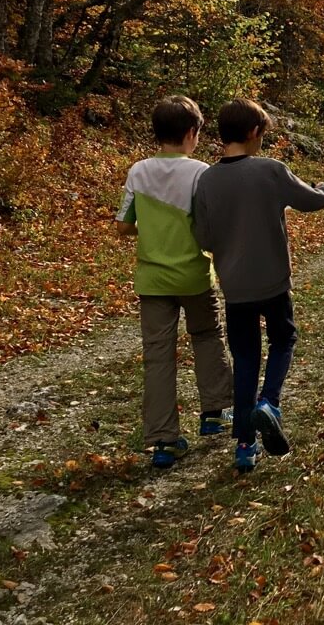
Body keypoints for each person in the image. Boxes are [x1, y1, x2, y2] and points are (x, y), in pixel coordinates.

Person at [193, 99, 324, 474]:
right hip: (272, 283)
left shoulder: (206, 180)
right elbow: (310, 200)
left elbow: (203, 237)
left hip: (235, 288)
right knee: (284, 339)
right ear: (255, 133)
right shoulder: (271, 171)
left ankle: (244, 444)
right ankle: (269, 403)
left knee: (244, 358)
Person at [115, 95, 233, 469]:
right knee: (208, 335)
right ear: (190, 133)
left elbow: (122, 226)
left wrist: (150, 229)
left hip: (151, 278)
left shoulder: (138, 171)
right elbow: (212, 225)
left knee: (157, 355)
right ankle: (215, 412)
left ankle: (164, 440)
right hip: (195, 274)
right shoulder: (201, 172)